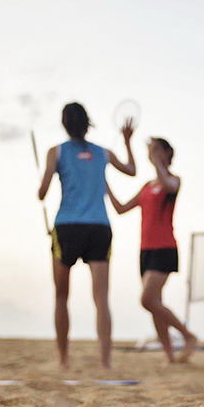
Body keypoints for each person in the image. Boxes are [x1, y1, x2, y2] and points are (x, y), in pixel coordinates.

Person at [38, 102, 135, 371]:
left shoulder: (56, 151)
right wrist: (127, 141)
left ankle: (63, 360)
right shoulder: (103, 152)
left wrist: (42, 185)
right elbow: (131, 170)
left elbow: (42, 192)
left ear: (64, 123)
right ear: (87, 122)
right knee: (101, 299)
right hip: (98, 226)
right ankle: (105, 362)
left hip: (67, 226)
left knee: (61, 296)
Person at [107, 136, 199, 364]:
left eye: (158, 149)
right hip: (145, 250)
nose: (153, 153)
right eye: (151, 150)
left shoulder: (174, 181)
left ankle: (188, 335)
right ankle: (169, 356)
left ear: (167, 153)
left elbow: (168, 185)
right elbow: (120, 208)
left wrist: (157, 162)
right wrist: (104, 185)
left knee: (147, 299)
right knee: (154, 304)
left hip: (165, 248)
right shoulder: (147, 187)